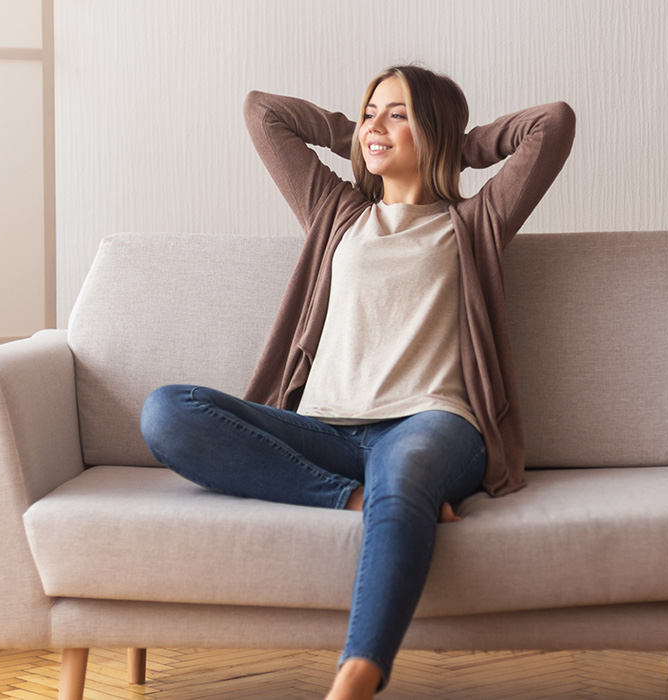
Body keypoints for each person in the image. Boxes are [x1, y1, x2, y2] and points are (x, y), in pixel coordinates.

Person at [140, 64, 575, 699]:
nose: (376, 125)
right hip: (324, 429)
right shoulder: (336, 211)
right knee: (167, 411)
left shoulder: (476, 221)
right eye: (371, 111)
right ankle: (351, 497)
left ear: (435, 132)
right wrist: (360, 131)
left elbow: (552, 123)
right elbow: (265, 112)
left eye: (397, 113)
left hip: (432, 422)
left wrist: (458, 140)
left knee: (406, 472)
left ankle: (355, 679)